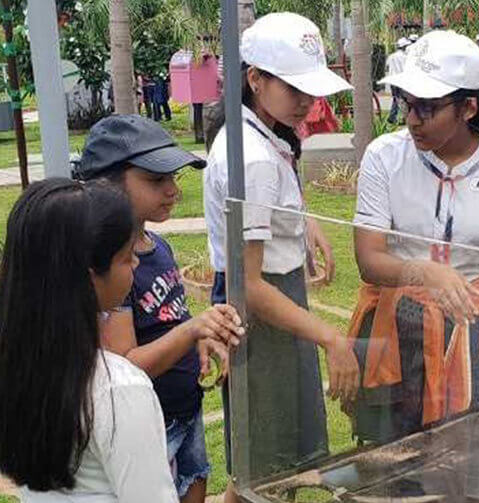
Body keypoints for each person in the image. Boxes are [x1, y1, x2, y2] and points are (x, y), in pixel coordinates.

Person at [347, 30, 479, 442]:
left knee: (470, 454)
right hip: (398, 324)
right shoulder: (385, 156)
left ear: (468, 108)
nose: (411, 118)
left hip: (472, 324)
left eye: (427, 107)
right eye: (407, 102)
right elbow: (369, 259)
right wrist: (426, 274)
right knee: (393, 459)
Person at [204, 11, 360, 500]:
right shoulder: (251, 156)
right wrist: (331, 338)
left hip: (277, 300)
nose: (307, 102)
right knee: (264, 474)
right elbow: (247, 283)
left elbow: (271, 204)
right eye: (295, 89)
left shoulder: (261, 134)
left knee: (272, 466)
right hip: (262, 311)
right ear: (256, 79)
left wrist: (304, 222)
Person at [74, 115, 244, 503]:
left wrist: (198, 340)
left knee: (194, 483)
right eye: (155, 180)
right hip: (148, 424)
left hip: (186, 408)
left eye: (173, 179)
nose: (172, 191)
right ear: (107, 184)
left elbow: (171, 318)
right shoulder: (111, 274)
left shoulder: (158, 247)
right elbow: (125, 364)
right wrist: (192, 330)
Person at [0, 179, 178, 501]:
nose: (136, 264)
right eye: (126, 258)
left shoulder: (17, 366)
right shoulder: (118, 389)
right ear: (89, 275)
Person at [386, 37, 412, 124]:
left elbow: (387, 67)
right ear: (404, 47)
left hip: (392, 81)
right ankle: (404, 118)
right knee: (403, 99)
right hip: (401, 80)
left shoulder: (391, 56)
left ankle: (393, 117)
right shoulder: (405, 57)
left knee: (396, 99)